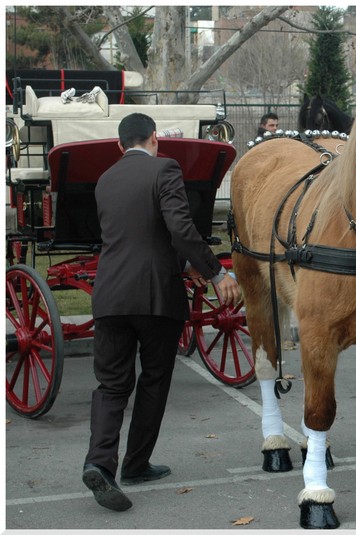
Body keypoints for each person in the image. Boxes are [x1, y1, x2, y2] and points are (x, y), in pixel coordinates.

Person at [82, 113, 240, 512]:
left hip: (110, 295)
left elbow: (133, 236)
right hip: (155, 296)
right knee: (153, 380)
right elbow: (179, 230)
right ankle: (136, 464)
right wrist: (216, 271)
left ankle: (99, 463)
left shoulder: (105, 180)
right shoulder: (165, 169)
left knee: (111, 385)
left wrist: (185, 262)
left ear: (119, 145)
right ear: (155, 138)